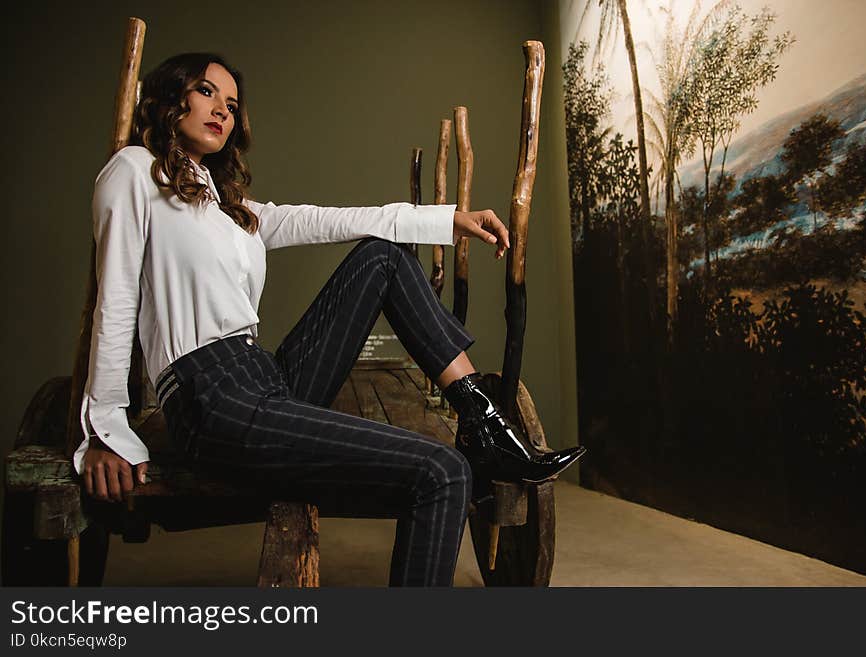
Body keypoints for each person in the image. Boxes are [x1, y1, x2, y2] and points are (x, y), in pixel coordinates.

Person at [73, 52, 584, 586]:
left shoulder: (229, 208)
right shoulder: (134, 171)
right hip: (212, 396)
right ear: (170, 95)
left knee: (383, 256)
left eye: (232, 103)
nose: (222, 110)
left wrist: (448, 219)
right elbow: (116, 299)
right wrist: (105, 430)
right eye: (206, 92)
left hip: (264, 377)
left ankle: (481, 421)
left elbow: (332, 218)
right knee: (443, 471)